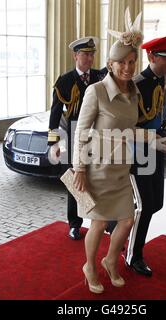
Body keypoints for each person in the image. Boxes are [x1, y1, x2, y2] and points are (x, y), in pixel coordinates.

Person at [72, 9, 143, 294]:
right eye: (121, 62)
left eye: (131, 62)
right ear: (110, 64)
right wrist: (79, 168)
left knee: (127, 219)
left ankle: (111, 260)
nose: (128, 67)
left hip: (121, 168)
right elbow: (81, 131)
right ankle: (90, 266)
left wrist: (154, 140)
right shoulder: (97, 91)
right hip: (97, 168)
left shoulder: (133, 92)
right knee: (99, 222)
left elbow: (129, 129)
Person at [123, 35, 166, 278]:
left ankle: (119, 228)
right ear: (152, 57)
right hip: (138, 152)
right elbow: (125, 126)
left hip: (157, 149)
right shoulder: (135, 84)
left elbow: (165, 115)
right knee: (144, 206)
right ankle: (133, 255)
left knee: (156, 203)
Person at [48, 36, 104, 240]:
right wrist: (53, 142)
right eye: (85, 54)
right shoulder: (65, 80)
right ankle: (74, 223)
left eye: (92, 54)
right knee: (74, 178)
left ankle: (100, 220)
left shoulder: (100, 76)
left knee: (98, 175)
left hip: (98, 133)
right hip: (73, 133)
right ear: (75, 56)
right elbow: (55, 114)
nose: (89, 58)